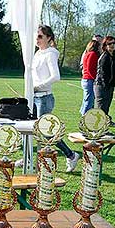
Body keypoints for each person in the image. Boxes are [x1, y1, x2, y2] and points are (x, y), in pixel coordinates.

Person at [32, 24, 80, 172]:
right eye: (36, 35)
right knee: (30, 128)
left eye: (40, 36)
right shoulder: (37, 53)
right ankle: (29, 159)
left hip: (44, 98)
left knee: (46, 133)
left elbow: (55, 76)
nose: (37, 39)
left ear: (49, 38)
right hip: (33, 97)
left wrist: (39, 86)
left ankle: (71, 155)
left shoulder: (51, 54)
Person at [94, 36, 115, 127]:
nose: (112, 45)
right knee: (101, 108)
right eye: (109, 44)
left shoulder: (113, 57)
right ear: (105, 45)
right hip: (101, 86)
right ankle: (98, 127)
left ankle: (105, 122)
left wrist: (112, 84)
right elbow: (102, 74)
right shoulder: (104, 57)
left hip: (110, 86)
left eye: (114, 43)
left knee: (106, 106)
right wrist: (106, 85)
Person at [80, 40, 100, 115]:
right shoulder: (93, 54)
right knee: (89, 100)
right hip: (89, 79)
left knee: (87, 99)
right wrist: (95, 78)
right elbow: (90, 69)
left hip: (85, 79)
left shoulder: (87, 54)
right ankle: (85, 116)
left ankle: (84, 113)